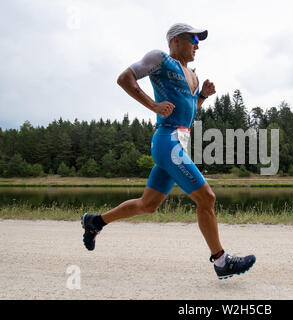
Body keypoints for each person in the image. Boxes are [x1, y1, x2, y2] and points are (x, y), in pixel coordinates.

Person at [81, 23, 256, 280]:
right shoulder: (159, 59)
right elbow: (124, 78)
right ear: (175, 40)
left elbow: (189, 111)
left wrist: (203, 97)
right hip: (167, 141)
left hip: (179, 141)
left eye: (199, 41)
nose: (197, 45)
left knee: (147, 205)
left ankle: (95, 222)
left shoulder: (193, 76)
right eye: (193, 38)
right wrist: (153, 105)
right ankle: (221, 262)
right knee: (207, 198)